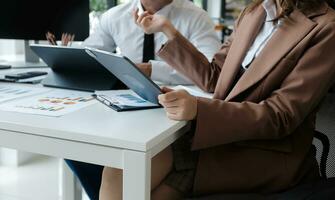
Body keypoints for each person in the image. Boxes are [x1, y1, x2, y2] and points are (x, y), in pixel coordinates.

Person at [100, 0, 335, 199]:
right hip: (219, 136)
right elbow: (214, 77)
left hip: (263, 152)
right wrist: (167, 30)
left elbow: (281, 115)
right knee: (120, 169)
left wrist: (200, 110)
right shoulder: (255, 12)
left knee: (133, 179)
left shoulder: (326, 28)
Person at [65, 0, 221, 199]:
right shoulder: (114, 16)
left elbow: (210, 72)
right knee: (78, 147)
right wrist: (70, 55)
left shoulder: (196, 16)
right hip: (127, 107)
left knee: (121, 178)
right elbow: (89, 55)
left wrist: (152, 69)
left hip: (173, 112)